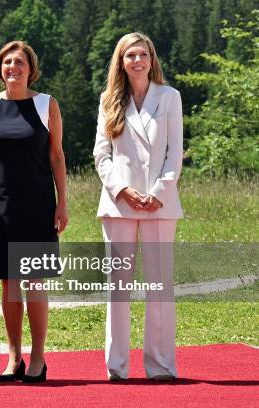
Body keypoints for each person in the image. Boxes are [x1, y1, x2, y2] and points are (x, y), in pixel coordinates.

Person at [0, 41, 68, 383]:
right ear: (0, 68)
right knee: (9, 282)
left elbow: (57, 156)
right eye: (8, 62)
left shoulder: (46, 104)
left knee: (34, 280)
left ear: (31, 68)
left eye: (20, 62)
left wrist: (63, 202)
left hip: (37, 203)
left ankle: (38, 357)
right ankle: (14, 357)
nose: (14, 67)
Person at [93, 32, 184, 381]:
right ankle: (117, 367)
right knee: (118, 287)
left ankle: (161, 365)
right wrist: (123, 190)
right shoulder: (109, 99)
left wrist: (159, 192)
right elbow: (102, 154)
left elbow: (174, 151)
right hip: (119, 204)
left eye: (143, 54)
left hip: (160, 204)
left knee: (160, 286)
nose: (137, 60)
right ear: (122, 61)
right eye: (130, 55)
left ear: (151, 59)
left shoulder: (170, 97)